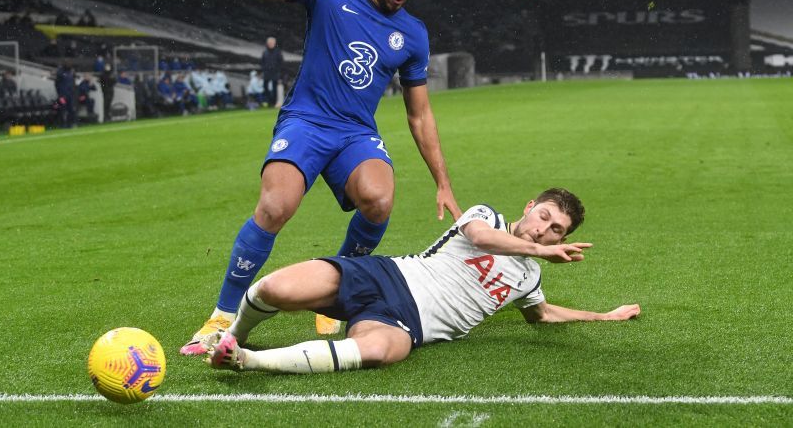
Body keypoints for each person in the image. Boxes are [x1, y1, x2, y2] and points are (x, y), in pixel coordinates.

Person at [180, 0, 461, 355]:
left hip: (355, 132)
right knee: (276, 206)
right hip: (306, 122)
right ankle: (222, 315)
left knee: (380, 200)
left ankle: (333, 292)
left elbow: (419, 114)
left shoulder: (413, 34)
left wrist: (442, 181)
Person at [202, 188, 641, 373]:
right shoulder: (486, 216)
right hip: (388, 274)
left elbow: (542, 314)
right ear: (530, 206)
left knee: (381, 351)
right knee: (276, 289)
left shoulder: (529, 277)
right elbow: (483, 238)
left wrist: (605, 316)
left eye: (557, 230)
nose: (545, 230)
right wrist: (540, 250)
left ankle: (245, 360)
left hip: (407, 324)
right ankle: (230, 333)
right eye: (544, 217)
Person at [260, 37, 282, 107]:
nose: (270, 44)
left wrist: (277, 70)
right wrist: (264, 69)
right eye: (269, 43)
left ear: (274, 43)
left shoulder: (278, 52)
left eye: (272, 43)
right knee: (265, 87)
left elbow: (280, 62)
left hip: (275, 73)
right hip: (266, 73)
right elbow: (262, 62)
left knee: (274, 88)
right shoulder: (265, 52)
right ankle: (267, 101)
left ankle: (273, 102)